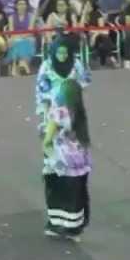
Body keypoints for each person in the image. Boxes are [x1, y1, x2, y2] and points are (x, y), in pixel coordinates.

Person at [42, 79, 92, 241]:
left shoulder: (58, 112)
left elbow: (48, 139)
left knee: (57, 193)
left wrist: (46, 150)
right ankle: (74, 228)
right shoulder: (79, 112)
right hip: (80, 160)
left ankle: (56, 225)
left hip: (61, 160)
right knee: (76, 195)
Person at [35, 35, 91, 138]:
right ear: (54, 52)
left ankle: (69, 124)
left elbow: (85, 79)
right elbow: (41, 83)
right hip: (51, 93)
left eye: (65, 52)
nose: (62, 55)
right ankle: (50, 123)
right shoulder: (47, 65)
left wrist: (78, 85)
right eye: (59, 52)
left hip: (70, 91)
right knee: (52, 97)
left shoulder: (75, 63)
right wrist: (49, 92)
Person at [79, 0, 119, 68]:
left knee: (103, 40)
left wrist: (95, 35)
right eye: (86, 5)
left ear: (92, 6)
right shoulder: (82, 15)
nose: (87, 7)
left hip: (98, 35)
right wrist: (84, 14)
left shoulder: (97, 14)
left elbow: (101, 27)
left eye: (89, 5)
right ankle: (112, 59)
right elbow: (81, 28)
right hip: (87, 37)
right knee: (103, 40)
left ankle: (100, 53)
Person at [3, 0, 37, 76]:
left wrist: (20, 37)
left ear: (27, 6)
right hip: (15, 38)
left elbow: (30, 31)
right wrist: (18, 37)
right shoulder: (11, 17)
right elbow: (11, 32)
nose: (22, 6)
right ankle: (23, 65)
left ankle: (15, 66)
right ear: (16, 6)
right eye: (20, 4)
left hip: (28, 37)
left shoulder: (31, 16)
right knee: (16, 41)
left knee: (24, 41)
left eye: (24, 4)